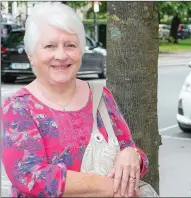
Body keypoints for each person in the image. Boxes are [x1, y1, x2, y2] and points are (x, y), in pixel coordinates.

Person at [1, 2, 148, 197]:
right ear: (31, 55)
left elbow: (130, 150)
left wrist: (132, 155)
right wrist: (111, 187)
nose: (61, 55)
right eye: (50, 46)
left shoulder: (101, 96)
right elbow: (30, 176)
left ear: (80, 51)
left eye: (70, 45)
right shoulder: (18, 107)